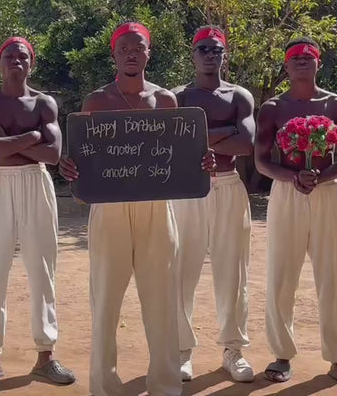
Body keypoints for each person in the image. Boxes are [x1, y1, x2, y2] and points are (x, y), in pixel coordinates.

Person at [59, 22, 216, 396]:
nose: (131, 54)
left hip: (156, 209)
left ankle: (165, 384)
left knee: (162, 300)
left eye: (138, 47)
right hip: (109, 211)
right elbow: (84, 159)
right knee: (105, 301)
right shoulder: (96, 102)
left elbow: (180, 155)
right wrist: (71, 169)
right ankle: (104, 386)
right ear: (114, 54)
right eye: (124, 48)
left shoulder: (166, 100)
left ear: (149, 52)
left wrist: (202, 162)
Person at [255, 37, 337, 386]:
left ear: (319, 63)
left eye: (308, 56)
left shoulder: (336, 105)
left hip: (326, 193)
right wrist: (293, 176)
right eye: (295, 57)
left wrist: (321, 177)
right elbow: (261, 161)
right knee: (281, 274)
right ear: (286, 66)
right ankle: (281, 355)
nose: (302, 61)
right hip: (286, 194)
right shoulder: (272, 107)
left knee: (333, 274)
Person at [0, 36, 75, 385]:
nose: (16, 61)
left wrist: (9, 145)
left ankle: (45, 355)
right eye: (9, 56)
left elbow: (53, 154)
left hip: (36, 182)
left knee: (42, 268)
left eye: (23, 56)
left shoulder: (43, 103)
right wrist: (33, 137)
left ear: (31, 63)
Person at [171, 26, 255, 383]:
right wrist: (225, 132)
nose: (210, 55)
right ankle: (180, 351)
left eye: (216, 49)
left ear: (225, 55)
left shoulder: (239, 96)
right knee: (180, 271)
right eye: (203, 49)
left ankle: (233, 350)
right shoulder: (177, 96)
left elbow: (246, 143)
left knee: (233, 272)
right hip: (187, 190)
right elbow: (174, 143)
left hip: (229, 186)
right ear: (193, 55)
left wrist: (200, 137)